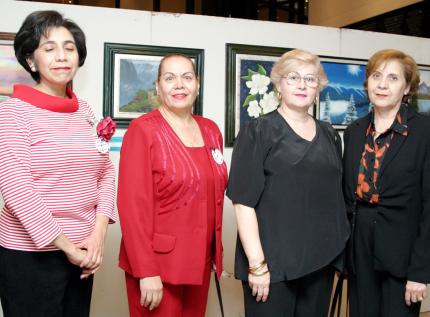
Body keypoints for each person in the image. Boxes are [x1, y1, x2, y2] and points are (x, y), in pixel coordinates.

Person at [0, 10, 116, 317]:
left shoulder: (86, 112)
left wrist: (98, 235)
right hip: (30, 256)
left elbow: (105, 173)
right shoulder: (13, 113)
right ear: (30, 61)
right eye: (49, 48)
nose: (61, 56)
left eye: (69, 47)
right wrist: (67, 248)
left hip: (83, 249)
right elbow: (17, 191)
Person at [227, 49, 350, 316]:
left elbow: (335, 200)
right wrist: (257, 265)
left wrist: (339, 256)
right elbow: (243, 203)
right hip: (271, 265)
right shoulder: (257, 131)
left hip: (321, 262)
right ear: (279, 84)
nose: (302, 85)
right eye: (293, 77)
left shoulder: (330, 135)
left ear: (319, 87)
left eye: (311, 78)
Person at [117, 53, 228, 317]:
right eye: (170, 78)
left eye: (187, 77)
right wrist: (147, 271)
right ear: (158, 87)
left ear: (197, 85)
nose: (179, 85)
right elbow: (132, 207)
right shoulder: (143, 131)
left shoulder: (211, 130)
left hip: (200, 263)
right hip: (159, 267)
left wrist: (216, 255)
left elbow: (212, 195)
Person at [343, 49, 430, 317]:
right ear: (367, 82)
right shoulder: (354, 131)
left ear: (407, 88)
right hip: (359, 251)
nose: (382, 84)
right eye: (376, 76)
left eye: (393, 78)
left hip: (403, 255)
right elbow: (347, 198)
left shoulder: (425, 132)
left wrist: (420, 271)